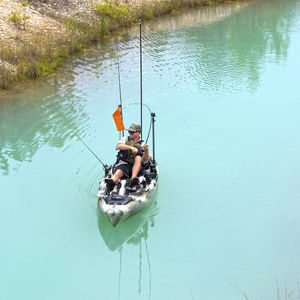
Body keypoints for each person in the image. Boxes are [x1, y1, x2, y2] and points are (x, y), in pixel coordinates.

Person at [106, 124, 149, 191]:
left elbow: (145, 160)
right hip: (124, 164)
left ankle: (133, 179)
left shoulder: (142, 144)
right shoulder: (125, 139)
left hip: (135, 167)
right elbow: (118, 146)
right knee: (119, 171)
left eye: (132, 132)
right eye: (129, 132)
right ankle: (111, 181)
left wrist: (146, 150)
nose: (130, 133)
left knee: (138, 157)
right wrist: (131, 147)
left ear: (138, 133)